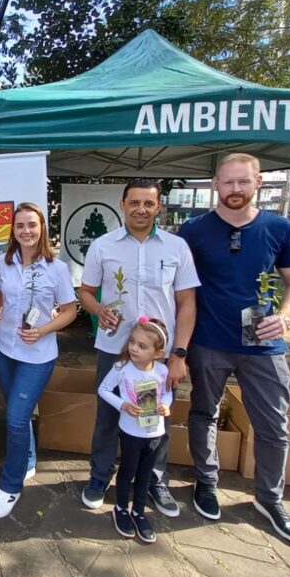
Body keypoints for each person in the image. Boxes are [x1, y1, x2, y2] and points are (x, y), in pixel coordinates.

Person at [177, 153, 290, 546]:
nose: (235, 189)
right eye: (228, 182)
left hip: (262, 341)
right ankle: (206, 482)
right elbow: (180, 288)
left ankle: (270, 499)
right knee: (203, 413)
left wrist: (285, 318)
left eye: (243, 182)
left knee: (272, 425)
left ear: (258, 183)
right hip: (209, 340)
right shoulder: (194, 230)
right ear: (215, 184)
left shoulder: (279, 228)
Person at [78, 179, 199, 518]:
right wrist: (99, 309)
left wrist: (179, 354)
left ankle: (156, 482)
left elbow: (187, 303)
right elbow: (85, 292)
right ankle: (100, 477)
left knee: (155, 416)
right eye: (135, 203)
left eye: (148, 203)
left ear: (159, 206)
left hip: (159, 355)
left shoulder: (177, 247)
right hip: (116, 348)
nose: (141, 209)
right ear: (123, 204)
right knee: (108, 415)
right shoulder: (103, 246)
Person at [0, 202, 78, 519]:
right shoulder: (4, 261)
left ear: (42, 228)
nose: (26, 231)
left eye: (32, 225)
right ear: (13, 230)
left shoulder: (57, 269)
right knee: (19, 413)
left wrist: (42, 330)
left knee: (14, 418)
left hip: (37, 356)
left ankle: (10, 486)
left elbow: (70, 310)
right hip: (4, 349)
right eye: (20, 225)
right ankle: (27, 459)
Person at [98, 317, 173, 544]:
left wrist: (166, 405)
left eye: (142, 346)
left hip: (154, 434)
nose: (134, 348)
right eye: (132, 342)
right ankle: (121, 508)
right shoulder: (121, 368)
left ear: (157, 353)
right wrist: (123, 405)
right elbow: (103, 389)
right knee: (127, 471)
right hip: (130, 433)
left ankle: (139, 512)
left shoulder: (161, 371)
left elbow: (168, 393)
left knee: (145, 475)